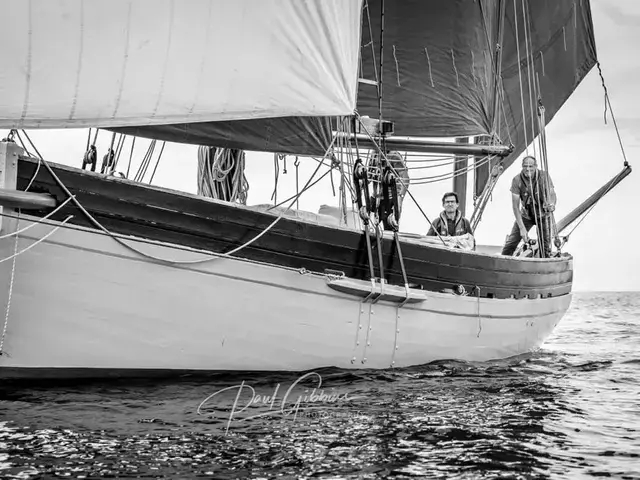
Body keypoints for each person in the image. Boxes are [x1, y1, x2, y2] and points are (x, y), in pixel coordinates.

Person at [501, 155, 556, 258]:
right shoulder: (517, 180)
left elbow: (552, 194)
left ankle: (544, 264)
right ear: (522, 166)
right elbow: (515, 207)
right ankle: (501, 262)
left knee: (545, 247)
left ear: (536, 166)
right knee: (511, 243)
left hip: (543, 214)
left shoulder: (544, 176)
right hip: (526, 215)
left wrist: (551, 204)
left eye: (531, 166)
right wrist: (522, 228)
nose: (528, 169)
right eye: (525, 166)